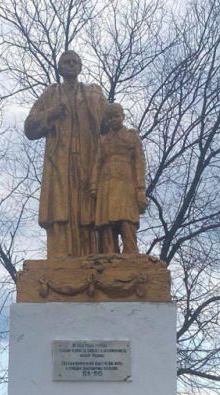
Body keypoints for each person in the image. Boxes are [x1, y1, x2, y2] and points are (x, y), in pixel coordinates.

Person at [24, 50, 108, 257]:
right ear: (60, 68)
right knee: (61, 208)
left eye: (75, 62)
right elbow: (30, 128)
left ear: (80, 67)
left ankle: (90, 255)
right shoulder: (51, 94)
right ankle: (60, 255)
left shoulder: (92, 93)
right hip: (60, 161)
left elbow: (109, 122)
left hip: (88, 160)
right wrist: (50, 113)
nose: (71, 65)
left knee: (87, 207)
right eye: (66, 62)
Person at [90, 103, 148, 255]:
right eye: (110, 117)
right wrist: (94, 185)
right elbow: (97, 163)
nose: (114, 120)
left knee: (126, 220)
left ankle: (131, 253)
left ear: (123, 116)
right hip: (106, 184)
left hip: (126, 183)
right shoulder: (102, 140)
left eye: (116, 116)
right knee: (106, 223)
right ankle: (109, 255)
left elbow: (139, 163)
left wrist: (140, 189)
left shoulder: (131, 136)